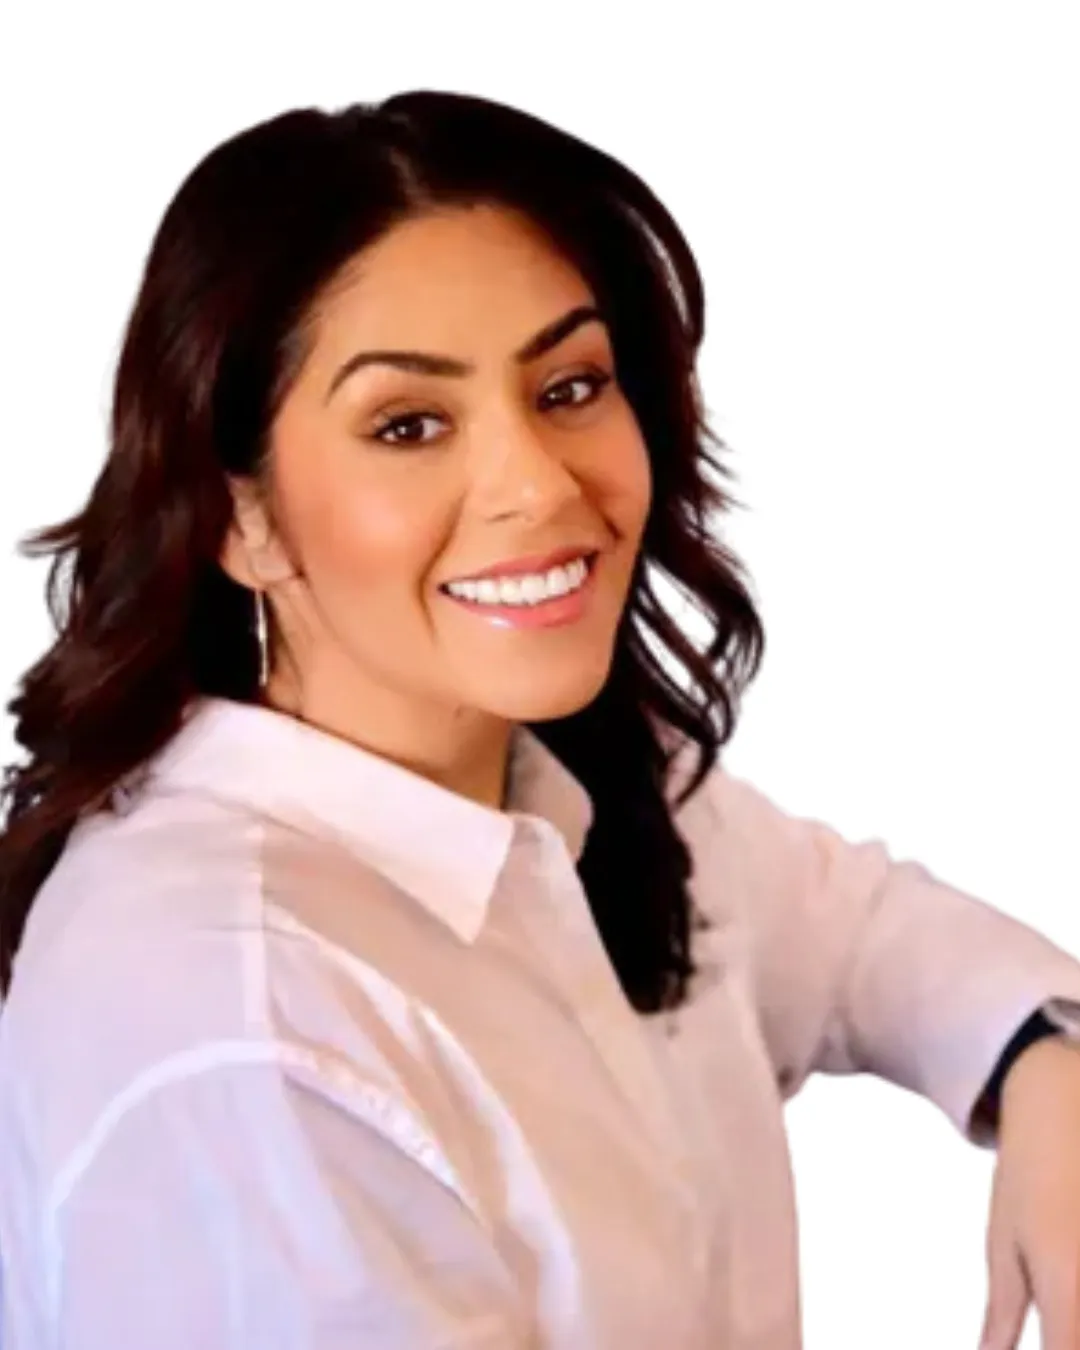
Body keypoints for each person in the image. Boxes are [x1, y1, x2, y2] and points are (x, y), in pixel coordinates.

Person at [0, 90, 1078, 1350]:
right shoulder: (235, 1037)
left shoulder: (541, 776)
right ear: (240, 516)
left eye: (569, 386)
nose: (538, 484)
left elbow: (860, 934)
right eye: (410, 425)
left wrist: (1043, 1071)